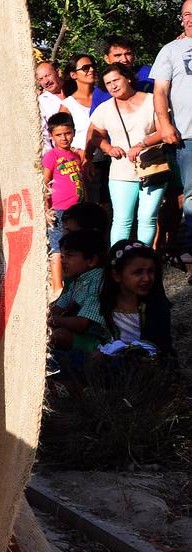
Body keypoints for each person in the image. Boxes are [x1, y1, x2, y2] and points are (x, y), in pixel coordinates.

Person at [89, 64, 166, 245]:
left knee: (148, 218)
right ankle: (118, 262)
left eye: (116, 80)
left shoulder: (151, 100)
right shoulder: (105, 108)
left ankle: (144, 257)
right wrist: (107, 148)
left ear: (128, 78)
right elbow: (95, 134)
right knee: (122, 220)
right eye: (108, 83)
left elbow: (164, 130)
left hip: (152, 166)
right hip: (121, 170)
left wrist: (143, 143)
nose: (113, 86)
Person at [152, 0, 192, 266]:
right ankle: (190, 248)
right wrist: (165, 124)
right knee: (190, 194)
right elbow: (160, 90)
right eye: (187, 14)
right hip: (188, 134)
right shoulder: (170, 50)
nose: (190, 19)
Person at [96, 240, 172, 363]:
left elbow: (158, 345)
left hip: (145, 363)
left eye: (151, 271)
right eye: (138, 272)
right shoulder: (105, 304)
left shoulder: (155, 306)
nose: (147, 278)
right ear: (116, 275)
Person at [48, 228, 107, 356]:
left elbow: (82, 324)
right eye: (62, 256)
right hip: (79, 334)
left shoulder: (97, 281)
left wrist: (54, 320)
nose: (63, 261)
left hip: (96, 341)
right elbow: (58, 307)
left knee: (58, 335)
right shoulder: (77, 281)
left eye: (69, 256)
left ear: (91, 260)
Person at [43, 112, 84, 292]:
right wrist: (46, 208)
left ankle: (73, 283)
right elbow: (44, 182)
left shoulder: (75, 156)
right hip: (58, 209)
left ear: (73, 132)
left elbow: (80, 181)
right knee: (57, 247)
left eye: (67, 133)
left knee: (74, 246)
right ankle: (57, 287)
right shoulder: (51, 156)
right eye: (58, 135)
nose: (64, 138)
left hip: (76, 208)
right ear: (51, 136)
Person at [36, 61, 65, 148]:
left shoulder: (75, 90)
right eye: (41, 79)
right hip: (63, 156)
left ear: (58, 72)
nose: (45, 81)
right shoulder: (41, 102)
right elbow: (43, 134)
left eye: (47, 75)